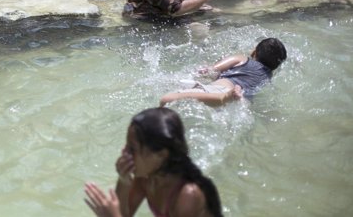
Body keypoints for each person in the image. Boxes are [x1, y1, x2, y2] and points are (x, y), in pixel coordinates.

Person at [84, 107, 223, 217]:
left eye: (132, 148)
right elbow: (125, 214)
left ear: (161, 155)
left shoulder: (187, 195)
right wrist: (124, 181)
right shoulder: (146, 178)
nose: (124, 152)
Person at [159, 38, 287, 107]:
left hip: (220, 91)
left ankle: (226, 97)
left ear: (254, 52)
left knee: (166, 99)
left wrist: (200, 69)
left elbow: (210, 71)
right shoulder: (267, 77)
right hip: (239, 105)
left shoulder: (242, 58)